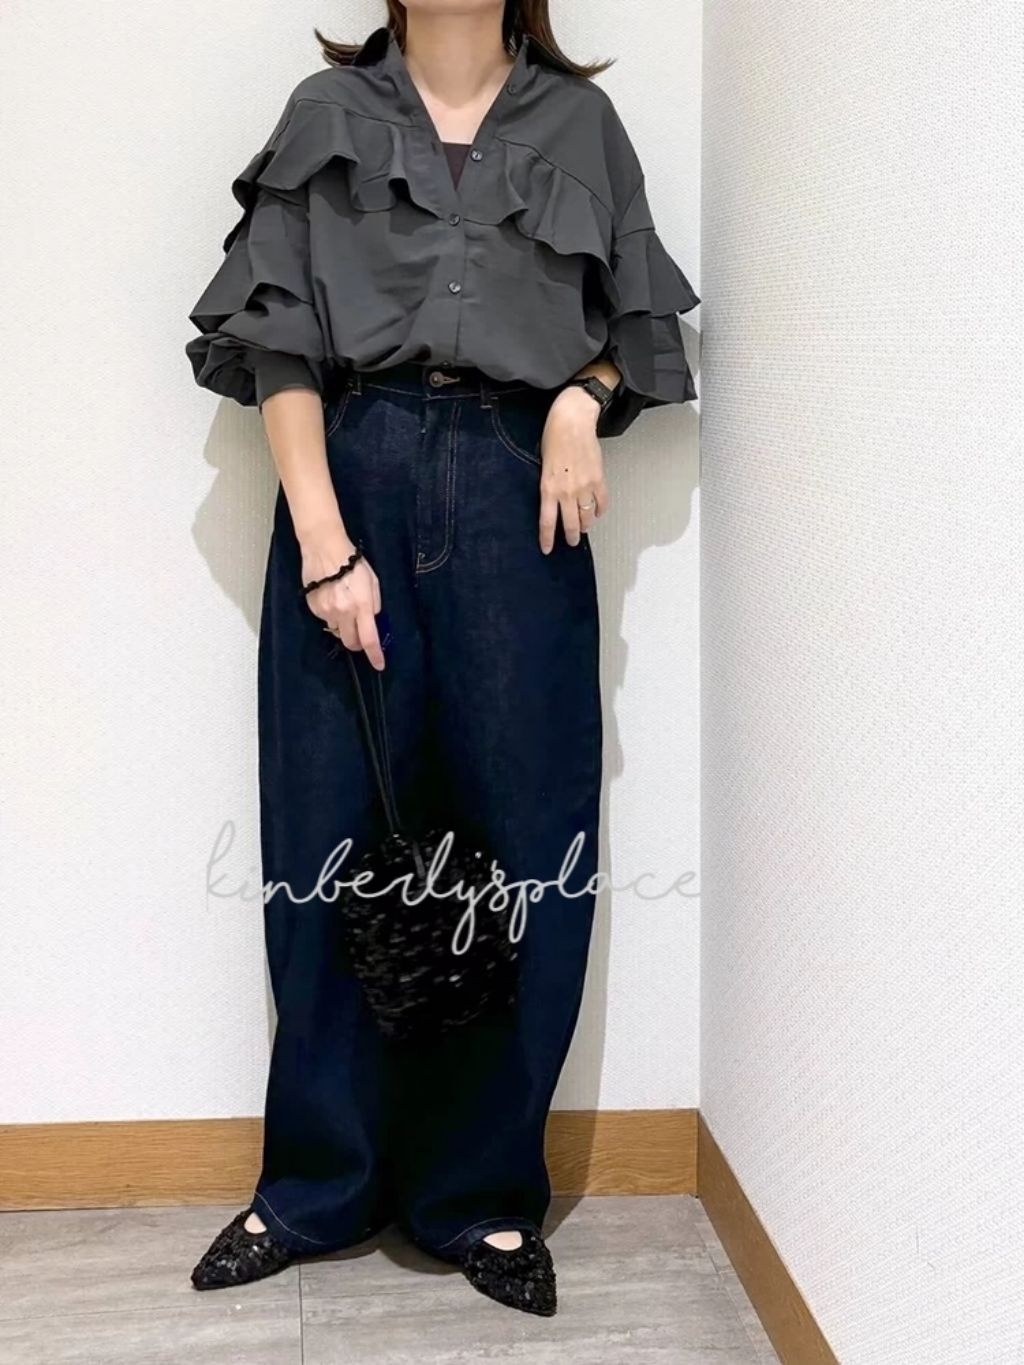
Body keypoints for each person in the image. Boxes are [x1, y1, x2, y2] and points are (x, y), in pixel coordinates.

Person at [184, 0, 698, 1317]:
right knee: (327, 835)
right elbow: (277, 340)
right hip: (351, 478)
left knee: (527, 847)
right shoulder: (329, 116)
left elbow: (642, 332)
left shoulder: (580, 123)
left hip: (522, 501)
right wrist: (322, 544)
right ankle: (316, 1183)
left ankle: (483, 1192)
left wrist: (579, 399)